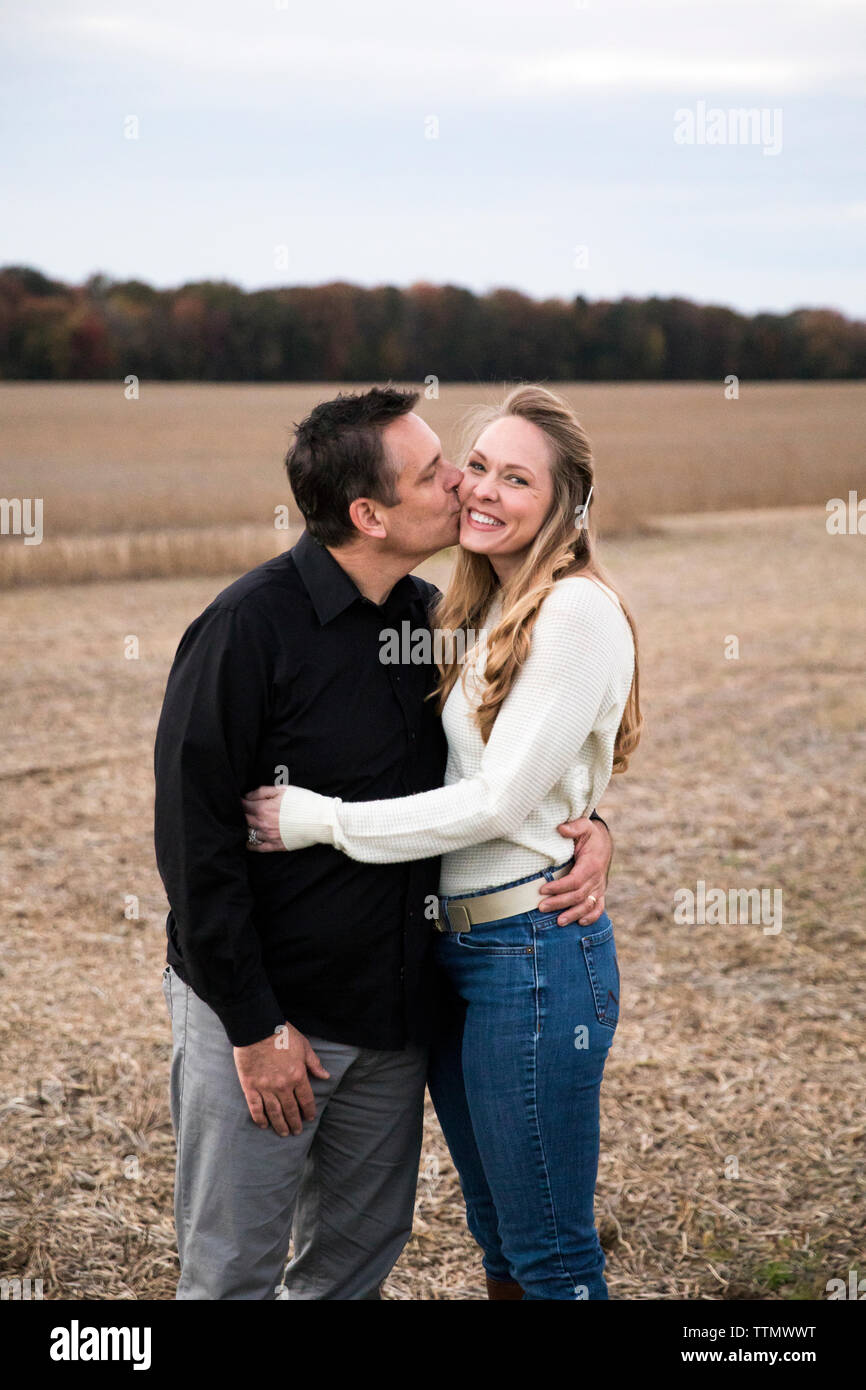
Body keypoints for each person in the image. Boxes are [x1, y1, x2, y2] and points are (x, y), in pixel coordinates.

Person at [154, 385, 613, 1300]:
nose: (463, 484)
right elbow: (194, 844)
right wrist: (253, 1027)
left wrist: (590, 828)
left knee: (354, 1267)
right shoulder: (248, 630)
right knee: (233, 1273)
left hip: (396, 1018)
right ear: (369, 513)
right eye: (439, 472)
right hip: (268, 1016)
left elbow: (498, 776)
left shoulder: (433, 617)